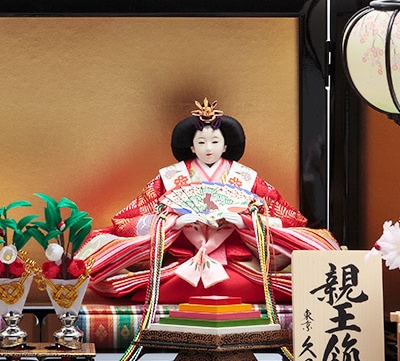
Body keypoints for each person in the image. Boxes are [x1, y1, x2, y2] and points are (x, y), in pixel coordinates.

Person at [78, 98, 339, 304]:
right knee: (165, 284)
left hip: (237, 265)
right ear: (191, 147)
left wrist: (246, 223)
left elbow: (290, 220)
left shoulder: (246, 179)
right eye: (201, 142)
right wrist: (173, 223)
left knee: (241, 284)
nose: (208, 148)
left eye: (215, 141)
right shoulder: (169, 178)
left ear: (225, 145)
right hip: (181, 264)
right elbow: (126, 221)